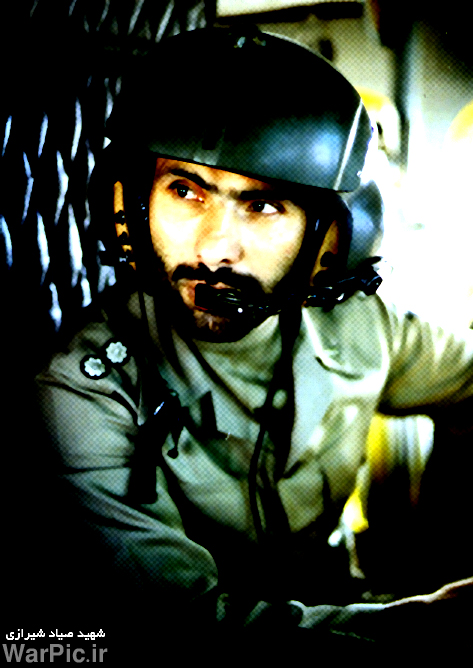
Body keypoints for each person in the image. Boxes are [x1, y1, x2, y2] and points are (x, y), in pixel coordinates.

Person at [34, 27, 472, 655]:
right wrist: (422, 623)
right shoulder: (86, 393)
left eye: (263, 206)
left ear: (329, 238)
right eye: (185, 191)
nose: (216, 249)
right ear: (131, 206)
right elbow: (177, 628)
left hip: (344, 595)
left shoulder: (359, 327)